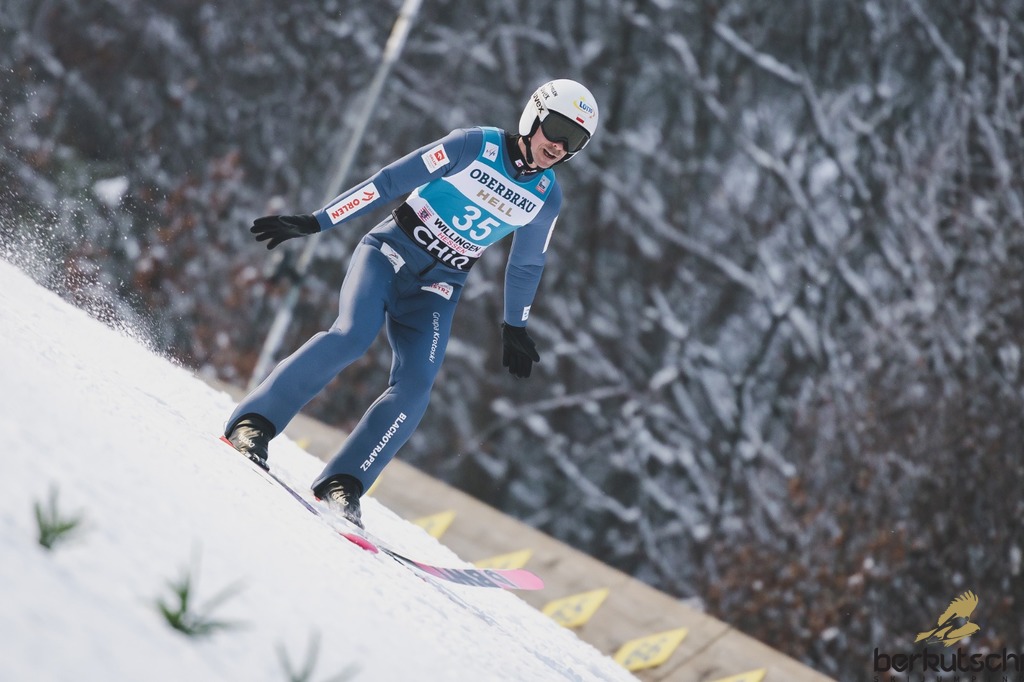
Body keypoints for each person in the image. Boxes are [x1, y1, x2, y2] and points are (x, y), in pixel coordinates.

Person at [223, 79, 599, 528]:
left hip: (438, 287)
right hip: (389, 252)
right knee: (352, 336)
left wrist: (514, 325)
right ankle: (254, 424)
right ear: (533, 117)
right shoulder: (473, 145)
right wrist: (318, 221)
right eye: (557, 129)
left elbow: (527, 264)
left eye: (574, 140)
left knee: (417, 386)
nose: (559, 146)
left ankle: (344, 482)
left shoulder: (546, 196)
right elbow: (389, 182)